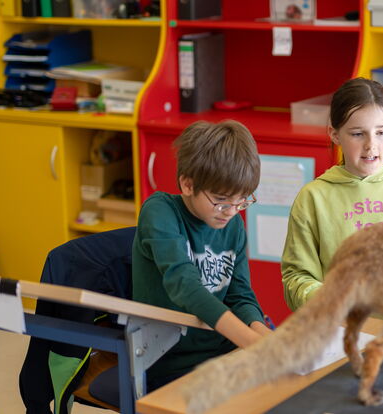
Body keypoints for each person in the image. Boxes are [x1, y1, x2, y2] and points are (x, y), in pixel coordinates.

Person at [93, 120, 272, 405]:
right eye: (221, 200)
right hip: (167, 360)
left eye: (242, 201)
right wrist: (251, 342)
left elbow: (240, 295)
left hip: (222, 351)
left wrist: (263, 335)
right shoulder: (160, 211)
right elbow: (185, 286)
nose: (231, 212)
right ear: (188, 184)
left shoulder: (233, 225)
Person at [281, 77, 383, 330]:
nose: (371, 145)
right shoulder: (313, 198)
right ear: (335, 134)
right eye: (358, 134)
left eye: (381, 133)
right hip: (337, 332)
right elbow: (297, 277)